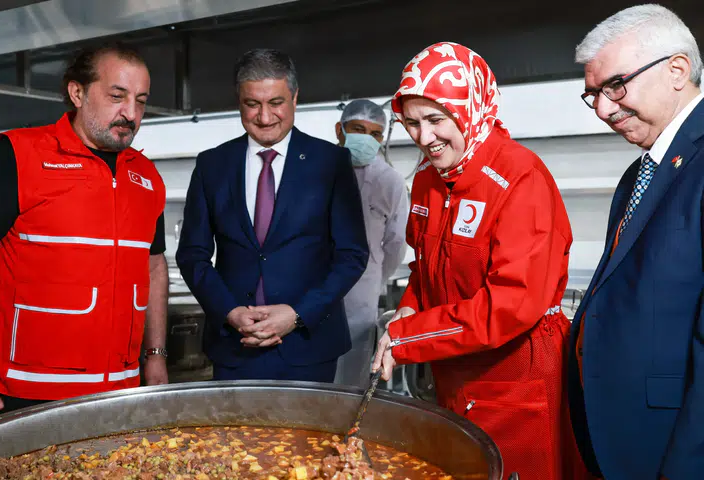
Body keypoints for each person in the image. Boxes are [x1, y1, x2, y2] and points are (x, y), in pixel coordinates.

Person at [371, 42, 576, 480]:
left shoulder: (521, 177)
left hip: (515, 377)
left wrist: (409, 337)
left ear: (469, 110)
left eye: (436, 120)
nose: (424, 138)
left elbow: (511, 304)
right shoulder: (428, 179)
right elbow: (425, 268)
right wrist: (409, 306)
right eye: (412, 123)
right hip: (452, 369)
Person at [0, 42, 169, 426]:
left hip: (118, 392)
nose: (131, 114)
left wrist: (156, 355)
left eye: (141, 101)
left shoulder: (146, 176)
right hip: (20, 392)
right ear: (77, 93)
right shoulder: (17, 154)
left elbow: (154, 268)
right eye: (117, 97)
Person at [568, 5, 704, 479]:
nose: (603, 109)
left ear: (677, 70)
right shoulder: (639, 174)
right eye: (593, 95)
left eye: (615, 86)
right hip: (623, 438)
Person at [176, 48, 368, 382]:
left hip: (310, 346)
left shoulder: (331, 163)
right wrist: (230, 312)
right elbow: (193, 255)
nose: (265, 117)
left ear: (295, 97)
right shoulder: (212, 165)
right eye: (252, 104)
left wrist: (297, 314)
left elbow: (352, 255)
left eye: (276, 103)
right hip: (235, 344)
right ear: (239, 101)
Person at [333, 99, 408, 388]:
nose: (367, 139)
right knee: (310, 368)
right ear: (340, 131)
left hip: (361, 287)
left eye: (375, 134)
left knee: (352, 367)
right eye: (358, 130)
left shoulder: (390, 181)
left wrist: (374, 277)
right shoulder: (318, 169)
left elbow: (396, 242)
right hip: (312, 282)